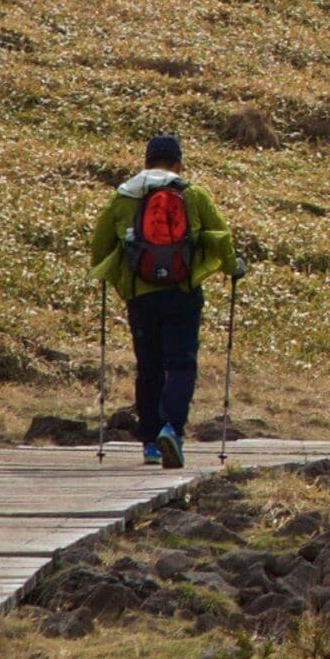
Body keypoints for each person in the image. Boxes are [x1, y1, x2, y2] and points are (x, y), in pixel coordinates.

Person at [91, 133, 239, 467]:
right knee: (181, 364)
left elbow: (100, 249)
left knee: (149, 368)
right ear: (178, 163)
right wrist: (234, 267)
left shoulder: (124, 197)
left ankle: (150, 444)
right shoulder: (193, 195)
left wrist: (123, 284)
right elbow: (219, 236)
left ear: (145, 162)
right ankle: (172, 428)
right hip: (183, 293)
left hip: (141, 298)